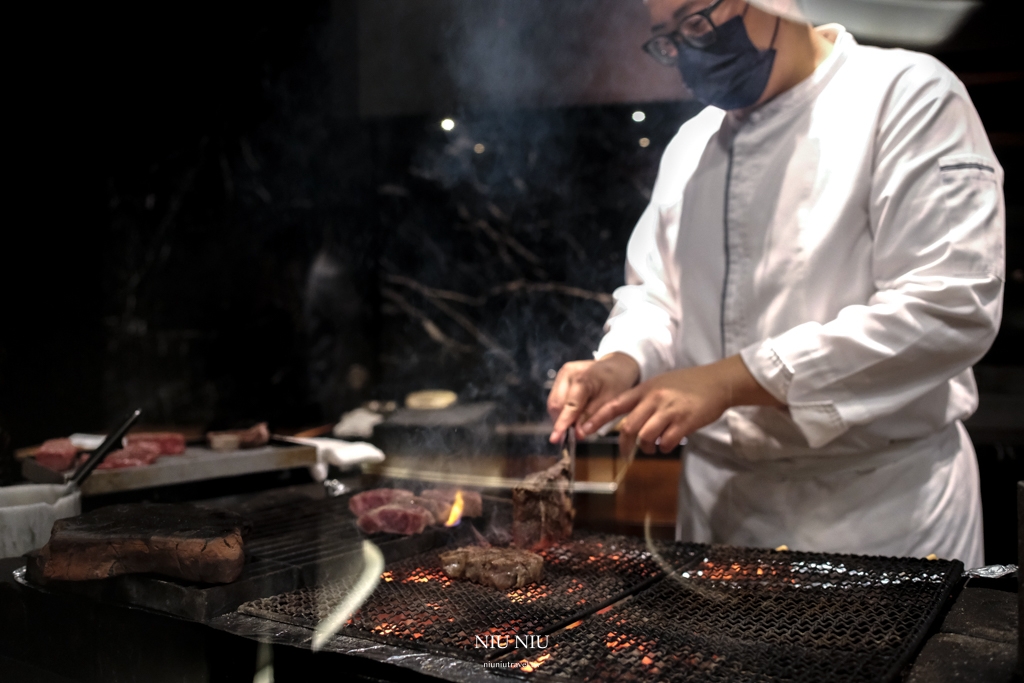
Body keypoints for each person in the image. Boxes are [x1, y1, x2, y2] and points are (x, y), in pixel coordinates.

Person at [547, 0, 1004, 568]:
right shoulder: (693, 142)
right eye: (668, 38)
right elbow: (658, 295)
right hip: (718, 510)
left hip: (877, 511)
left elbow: (948, 306)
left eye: (697, 22)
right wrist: (622, 361)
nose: (688, 52)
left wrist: (733, 380)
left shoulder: (908, 95)